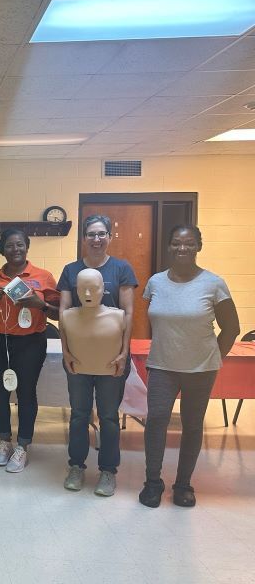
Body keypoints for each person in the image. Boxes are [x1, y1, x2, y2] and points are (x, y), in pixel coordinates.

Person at [139, 225, 239, 508]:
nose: (182, 248)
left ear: (198, 247)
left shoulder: (213, 283)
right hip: (161, 365)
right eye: (176, 243)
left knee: (192, 425)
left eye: (189, 243)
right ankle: (152, 483)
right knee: (156, 420)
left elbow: (231, 328)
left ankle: (183, 485)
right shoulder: (155, 282)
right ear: (169, 246)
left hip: (200, 369)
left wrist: (214, 359)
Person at [58, 215, 137, 496]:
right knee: (79, 415)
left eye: (101, 233)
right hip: (78, 356)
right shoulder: (71, 270)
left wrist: (124, 352)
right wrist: (65, 350)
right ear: (83, 237)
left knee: (109, 416)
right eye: (91, 234)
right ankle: (76, 466)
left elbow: (128, 312)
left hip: (110, 357)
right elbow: (63, 312)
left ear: (109, 236)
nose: (96, 239)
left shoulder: (121, 269)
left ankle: (107, 471)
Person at [0, 228, 59, 473]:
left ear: (27, 247)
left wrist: (40, 304)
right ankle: (4, 441)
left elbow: (58, 313)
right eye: (10, 245)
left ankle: (22, 446)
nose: (15, 249)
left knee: (25, 393)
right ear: (2, 250)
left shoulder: (43, 276)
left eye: (20, 245)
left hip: (30, 342)